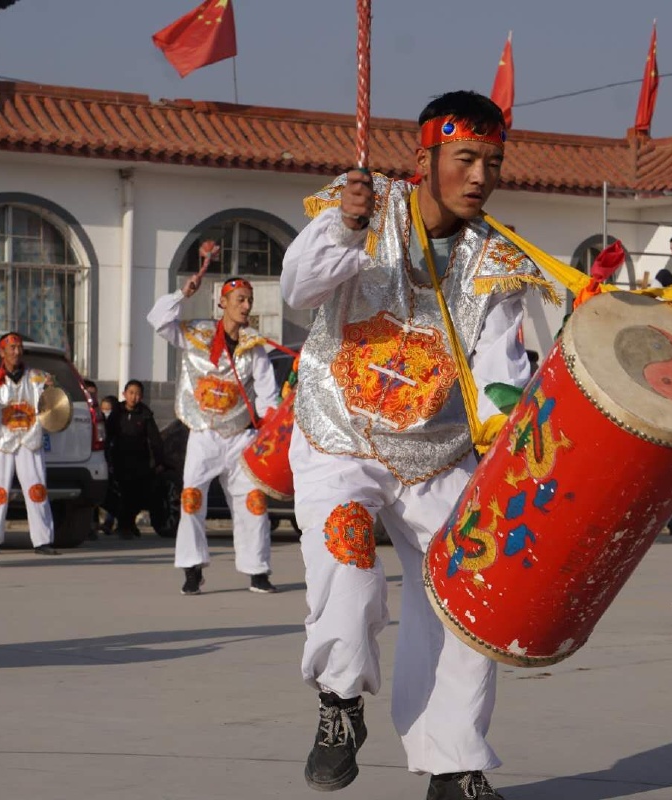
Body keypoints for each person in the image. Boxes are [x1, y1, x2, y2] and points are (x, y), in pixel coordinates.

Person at [281, 90, 549, 800]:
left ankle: (452, 762)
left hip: (437, 452)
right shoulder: (359, 207)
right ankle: (340, 703)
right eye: (465, 159)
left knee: (467, 595)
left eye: (493, 162)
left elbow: (500, 373)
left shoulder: (498, 258)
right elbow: (298, 289)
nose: (480, 177)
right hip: (341, 434)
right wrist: (344, 226)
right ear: (423, 157)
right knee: (348, 557)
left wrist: (504, 434)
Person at [146, 274, 280, 595]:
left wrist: (271, 428)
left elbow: (266, 395)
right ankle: (192, 569)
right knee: (191, 498)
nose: (247, 306)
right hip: (203, 432)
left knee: (253, 502)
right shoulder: (195, 334)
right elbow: (157, 319)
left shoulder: (254, 347)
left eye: (250, 300)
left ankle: (257, 570)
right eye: (240, 300)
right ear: (223, 303)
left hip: (241, 436)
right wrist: (183, 293)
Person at [0, 332, 61, 556]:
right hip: (0, 441)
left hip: (29, 441)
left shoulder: (38, 378)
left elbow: (58, 400)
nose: (16, 352)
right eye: (11, 348)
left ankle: (42, 540)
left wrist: (52, 389)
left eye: (19, 347)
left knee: (36, 489)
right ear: (1, 352)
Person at [104, 379, 167, 538]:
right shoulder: (117, 413)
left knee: (136, 495)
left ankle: (127, 524)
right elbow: (106, 434)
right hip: (119, 459)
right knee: (120, 494)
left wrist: (159, 461)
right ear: (124, 394)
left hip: (139, 462)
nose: (134, 397)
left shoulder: (145, 414)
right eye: (131, 393)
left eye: (137, 394)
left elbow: (155, 440)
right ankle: (124, 525)